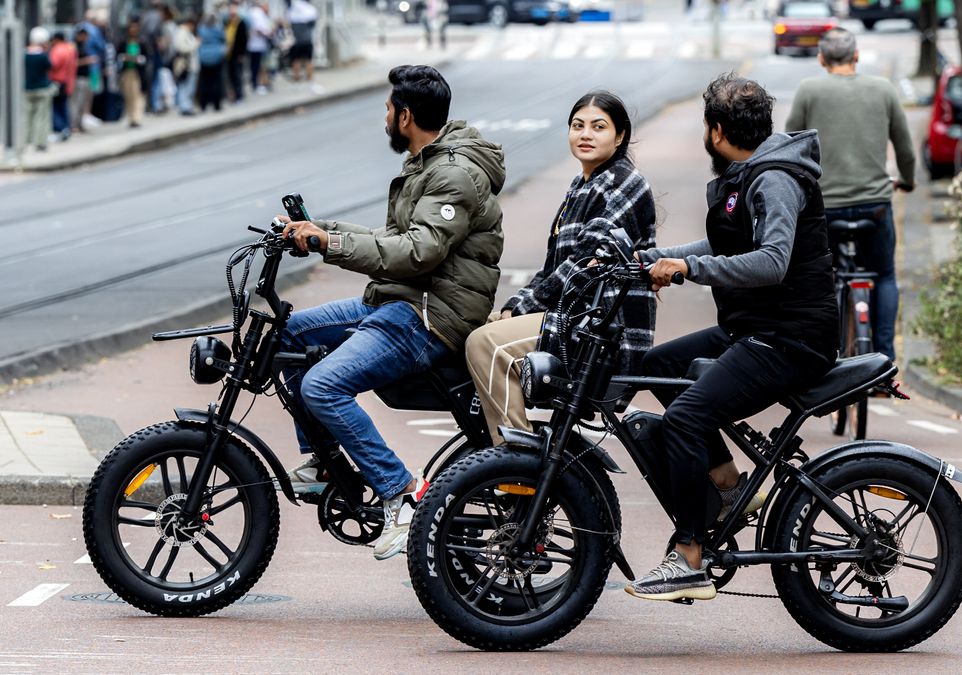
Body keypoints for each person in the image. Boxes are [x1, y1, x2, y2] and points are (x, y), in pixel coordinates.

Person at [279, 65, 505, 561]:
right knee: (289, 335)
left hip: (429, 313)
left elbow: (417, 252)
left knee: (322, 385)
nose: (384, 117)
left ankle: (400, 491)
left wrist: (330, 242)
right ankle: (324, 462)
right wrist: (317, 229)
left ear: (405, 116)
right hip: (400, 297)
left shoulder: (453, 174)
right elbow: (395, 242)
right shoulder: (427, 161)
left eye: (387, 109)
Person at [627, 73, 838, 602]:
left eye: (705, 127)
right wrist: (654, 258)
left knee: (685, 418)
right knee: (660, 366)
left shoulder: (774, 179)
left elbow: (771, 261)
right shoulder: (752, 173)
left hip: (790, 338)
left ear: (716, 131)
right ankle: (728, 487)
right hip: (754, 328)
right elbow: (726, 238)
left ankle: (689, 555)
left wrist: (688, 269)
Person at [465, 91, 656, 445]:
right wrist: (513, 306)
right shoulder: (582, 185)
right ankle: (497, 446)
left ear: (620, 136)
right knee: (485, 325)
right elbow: (553, 267)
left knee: (485, 344)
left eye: (598, 127)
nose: (585, 134)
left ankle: (513, 458)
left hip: (603, 327)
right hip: (577, 316)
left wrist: (524, 306)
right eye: (577, 126)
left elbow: (585, 262)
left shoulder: (622, 183)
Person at [784, 27, 915, 362]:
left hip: (825, 208)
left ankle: (819, 353)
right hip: (875, 207)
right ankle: (884, 359)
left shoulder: (808, 90)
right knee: (884, 275)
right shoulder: (883, 89)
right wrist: (907, 181)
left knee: (816, 276)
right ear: (856, 57)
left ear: (821, 59)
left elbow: (790, 145)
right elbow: (905, 149)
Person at [22, 27, 54, 154]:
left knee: (26, 116)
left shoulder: (24, 54)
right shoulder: (43, 56)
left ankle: (26, 140)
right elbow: (50, 67)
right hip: (42, 88)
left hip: (27, 88)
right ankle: (40, 142)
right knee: (42, 117)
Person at [116, 19, 151, 128]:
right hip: (127, 72)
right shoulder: (123, 42)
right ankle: (130, 117)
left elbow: (147, 58)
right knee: (128, 95)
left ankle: (136, 118)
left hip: (138, 72)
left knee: (138, 95)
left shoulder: (142, 42)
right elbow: (118, 56)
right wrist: (125, 58)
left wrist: (137, 59)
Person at [48, 32, 78, 140]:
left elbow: (52, 65)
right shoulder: (70, 49)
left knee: (55, 107)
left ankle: (59, 129)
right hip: (67, 81)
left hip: (57, 81)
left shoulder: (57, 50)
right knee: (63, 106)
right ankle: (66, 127)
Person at [196, 14, 227, 112]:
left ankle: (203, 104)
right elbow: (224, 39)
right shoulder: (218, 29)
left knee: (204, 82)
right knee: (216, 82)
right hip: (216, 57)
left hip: (204, 57)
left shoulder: (201, 29)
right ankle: (216, 104)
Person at [70, 27, 97, 133]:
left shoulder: (84, 46)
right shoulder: (74, 46)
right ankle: (73, 125)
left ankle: (80, 124)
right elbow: (73, 63)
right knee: (76, 102)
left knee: (83, 103)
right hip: (77, 77)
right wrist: (87, 61)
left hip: (85, 77)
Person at [172, 17, 199, 115]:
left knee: (188, 86)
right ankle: (185, 107)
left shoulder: (185, 32)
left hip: (190, 65)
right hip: (186, 65)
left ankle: (187, 106)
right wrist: (196, 44)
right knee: (185, 86)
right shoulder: (181, 32)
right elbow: (182, 48)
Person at [286, 0, 318, 82]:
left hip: (297, 40)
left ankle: (296, 77)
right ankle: (309, 77)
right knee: (308, 60)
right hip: (307, 39)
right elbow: (313, 24)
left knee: (296, 59)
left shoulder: (293, 10)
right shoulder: (309, 10)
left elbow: (289, 24)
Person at [224, 1, 249, 103]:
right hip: (228, 54)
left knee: (237, 75)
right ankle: (233, 94)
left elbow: (243, 40)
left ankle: (239, 95)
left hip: (237, 54)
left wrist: (242, 54)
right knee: (231, 76)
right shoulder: (228, 23)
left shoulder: (241, 23)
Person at [246, 0, 274, 94]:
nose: (269, 8)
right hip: (256, 45)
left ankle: (261, 83)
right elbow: (259, 29)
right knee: (256, 65)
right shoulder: (256, 13)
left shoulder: (259, 13)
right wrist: (268, 34)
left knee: (259, 65)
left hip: (259, 45)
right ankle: (256, 84)